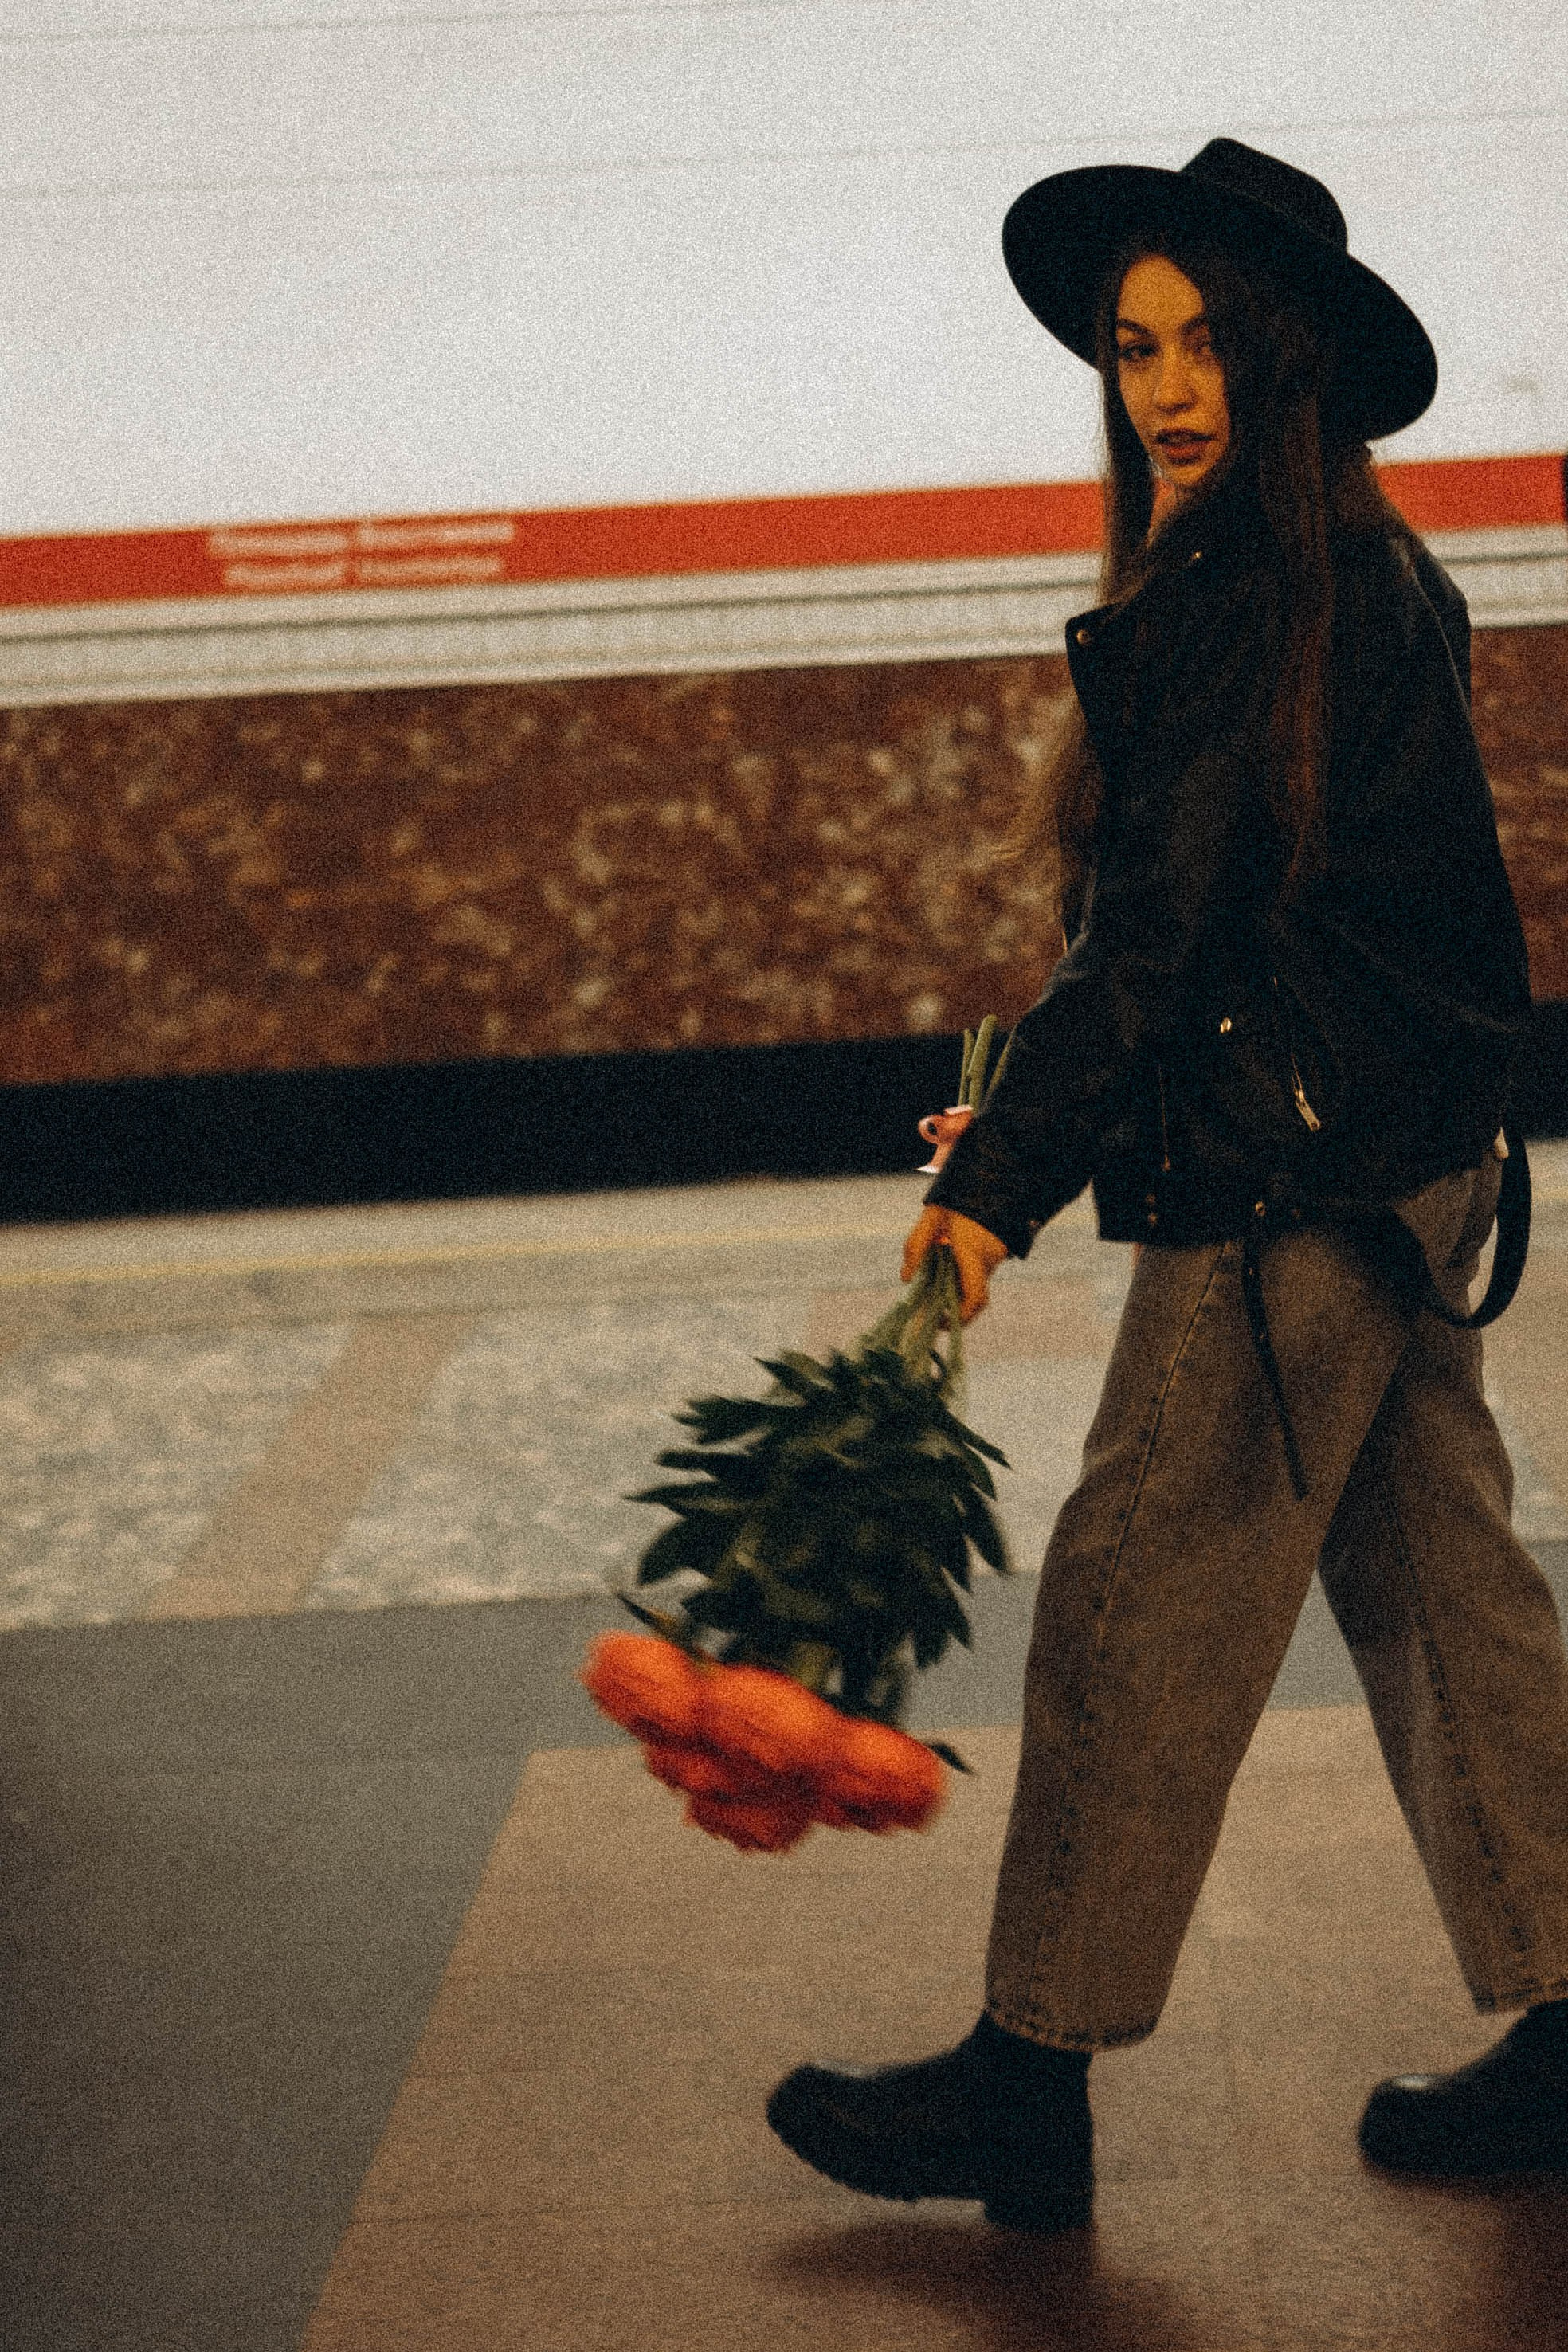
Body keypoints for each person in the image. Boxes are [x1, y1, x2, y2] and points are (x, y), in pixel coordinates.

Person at [766, 136, 1568, 2234]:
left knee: (1129, 1602)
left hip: (1291, 1191)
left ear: (1288, 356)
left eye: (1209, 340)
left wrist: (1004, 1177)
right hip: (1398, 1166)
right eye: (1136, 347)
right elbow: (1266, 938)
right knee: (1447, 1594)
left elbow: (1166, 947)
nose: (1169, 386)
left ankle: (1027, 2074)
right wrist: (1046, 1115)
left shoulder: (1256, 604)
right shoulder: (1347, 579)